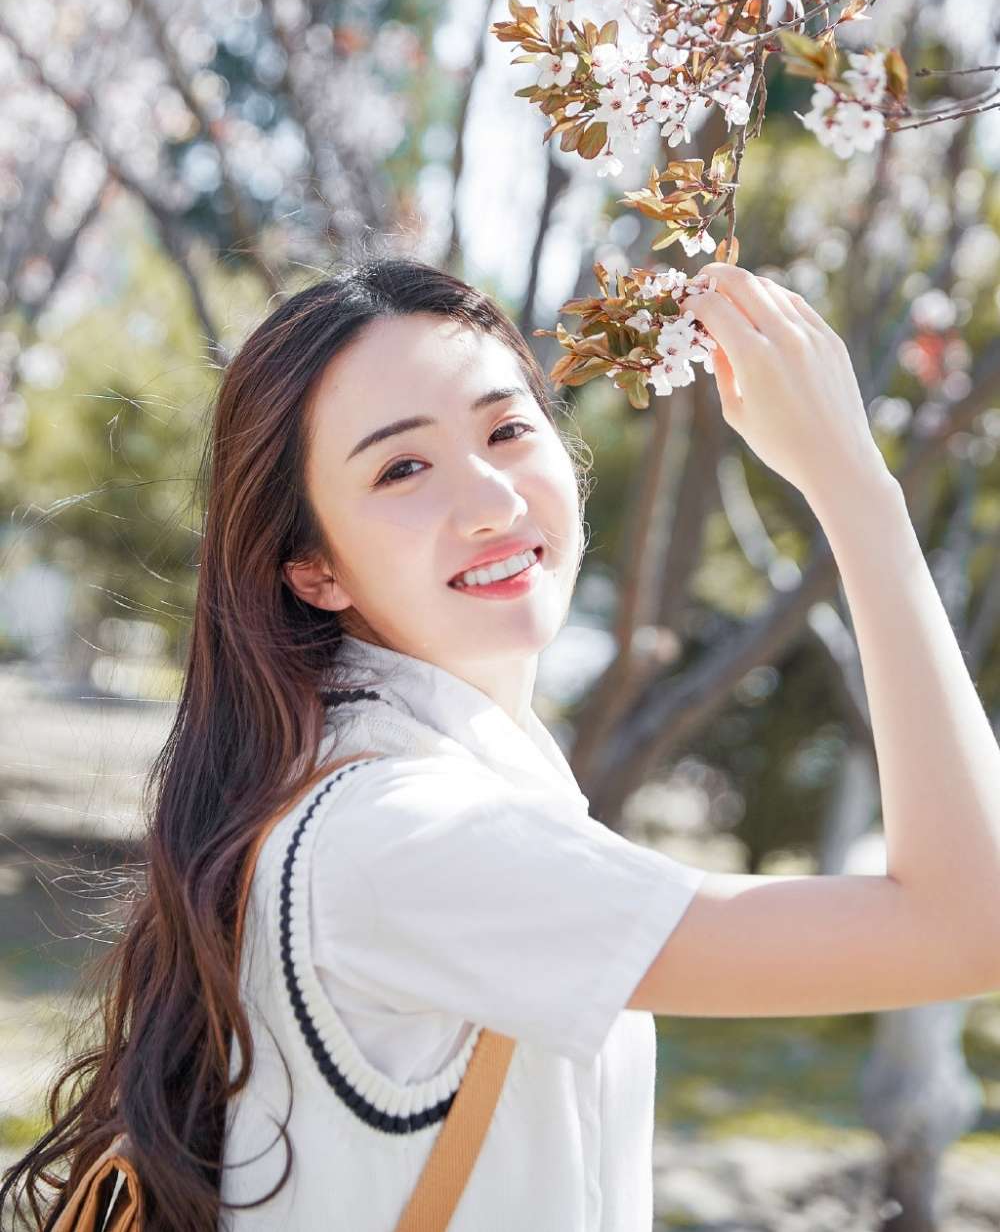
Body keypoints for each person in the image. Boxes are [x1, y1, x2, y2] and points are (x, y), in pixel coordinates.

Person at [4, 255, 999, 1232]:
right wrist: (856, 491)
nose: (491, 501)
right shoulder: (405, 834)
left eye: (507, 428)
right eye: (402, 468)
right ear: (313, 568)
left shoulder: (389, 783)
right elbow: (971, 927)